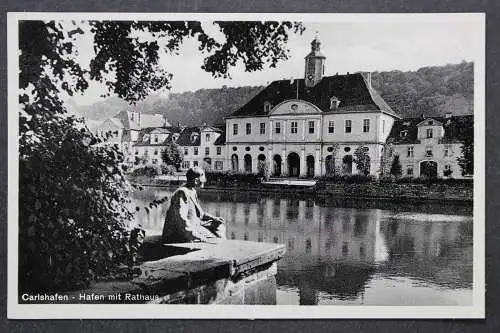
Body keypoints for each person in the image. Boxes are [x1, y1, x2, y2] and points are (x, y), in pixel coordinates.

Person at [162, 167, 226, 243]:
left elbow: (201, 214)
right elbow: (180, 218)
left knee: (219, 226)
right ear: (196, 180)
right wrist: (194, 234)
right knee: (215, 236)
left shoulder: (192, 191)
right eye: (203, 179)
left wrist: (215, 218)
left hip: (193, 226)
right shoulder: (182, 192)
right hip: (179, 233)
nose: (204, 181)